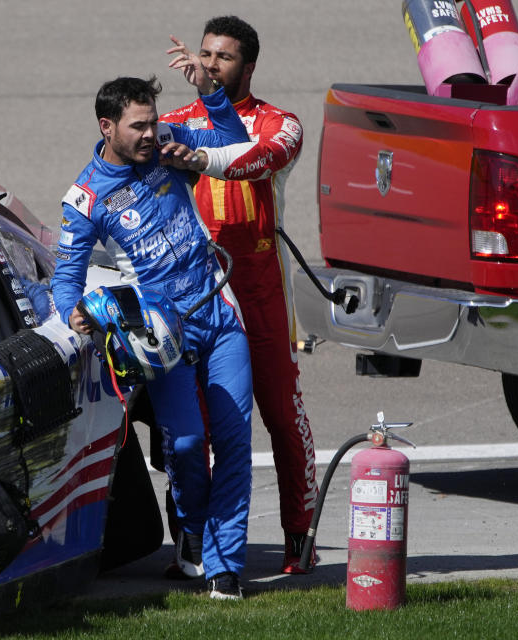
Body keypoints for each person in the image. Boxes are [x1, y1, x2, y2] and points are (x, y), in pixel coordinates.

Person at [50, 75, 255, 600]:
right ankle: (190, 528)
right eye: (137, 126)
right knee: (187, 444)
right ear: (107, 127)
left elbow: (235, 137)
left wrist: (211, 96)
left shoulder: (169, 145)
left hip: (220, 312)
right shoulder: (87, 196)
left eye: (152, 121)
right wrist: (73, 313)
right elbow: (67, 276)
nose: (149, 134)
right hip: (160, 334)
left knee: (233, 439)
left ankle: (225, 566)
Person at [160, 15, 318, 574]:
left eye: (222, 58)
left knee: (282, 413)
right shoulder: (172, 122)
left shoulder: (283, 124)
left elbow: (251, 160)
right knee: (193, 426)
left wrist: (198, 157)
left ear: (248, 67)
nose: (208, 65)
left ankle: (300, 530)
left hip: (262, 288)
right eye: (204, 54)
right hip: (196, 291)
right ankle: (192, 535)